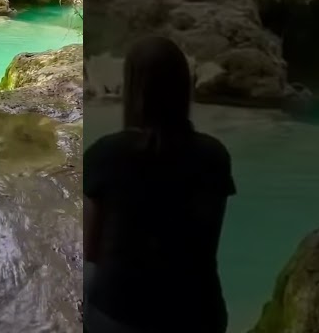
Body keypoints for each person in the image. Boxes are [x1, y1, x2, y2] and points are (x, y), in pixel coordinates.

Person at [84, 36, 236, 333]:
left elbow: (90, 249)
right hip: (196, 315)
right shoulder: (214, 156)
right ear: (183, 88)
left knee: (84, 279)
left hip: (120, 314)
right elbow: (207, 247)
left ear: (132, 88)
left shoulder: (106, 153)